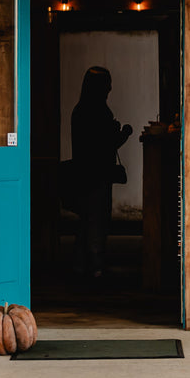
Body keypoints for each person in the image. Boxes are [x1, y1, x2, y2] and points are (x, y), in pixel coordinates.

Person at [70, 66, 133, 279]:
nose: (110, 88)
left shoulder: (79, 110)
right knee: (97, 220)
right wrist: (123, 133)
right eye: (107, 84)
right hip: (98, 175)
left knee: (85, 220)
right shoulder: (101, 112)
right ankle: (97, 267)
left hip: (81, 174)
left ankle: (79, 265)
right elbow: (107, 144)